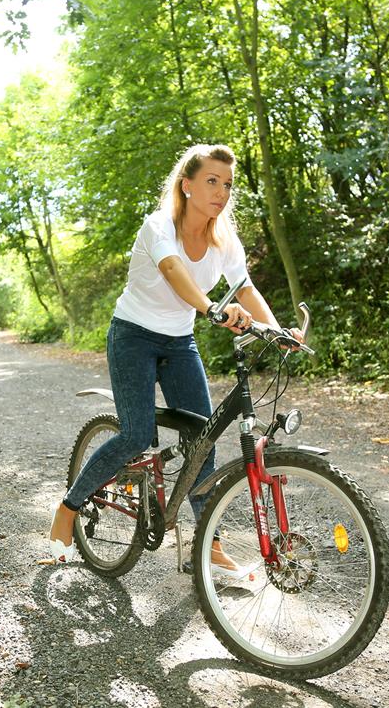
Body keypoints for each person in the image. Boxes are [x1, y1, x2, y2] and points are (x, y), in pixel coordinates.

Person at [48, 143, 302, 574]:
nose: (221, 192)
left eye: (227, 184)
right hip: (133, 336)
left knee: (204, 438)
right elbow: (172, 270)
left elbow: (245, 289)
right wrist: (211, 308)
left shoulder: (224, 240)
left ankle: (207, 545)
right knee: (135, 435)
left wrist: (277, 331)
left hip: (179, 342)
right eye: (211, 181)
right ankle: (69, 506)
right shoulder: (158, 226)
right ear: (187, 185)